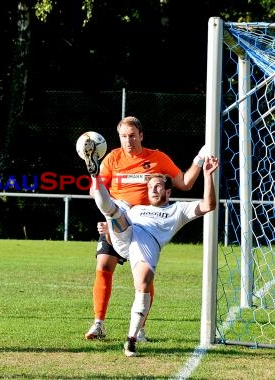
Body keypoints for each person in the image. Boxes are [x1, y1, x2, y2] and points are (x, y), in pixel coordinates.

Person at [80, 116, 208, 342]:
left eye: (132, 136)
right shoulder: (112, 158)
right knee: (103, 265)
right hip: (118, 219)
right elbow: (94, 191)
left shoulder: (157, 158)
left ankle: (139, 330)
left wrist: (199, 159)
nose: (128, 141)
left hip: (144, 227)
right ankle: (98, 323)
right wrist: (109, 208)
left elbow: (185, 183)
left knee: (145, 278)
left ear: (141, 135)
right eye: (123, 137)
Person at [87, 153, 218, 356]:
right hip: (127, 232)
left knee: (144, 283)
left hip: (146, 244)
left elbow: (209, 205)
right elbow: (116, 242)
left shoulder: (178, 210)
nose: (153, 190)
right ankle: (96, 175)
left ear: (168, 191)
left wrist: (208, 175)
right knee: (114, 211)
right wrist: (109, 232)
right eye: (150, 188)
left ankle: (131, 340)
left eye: (157, 186)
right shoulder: (137, 209)